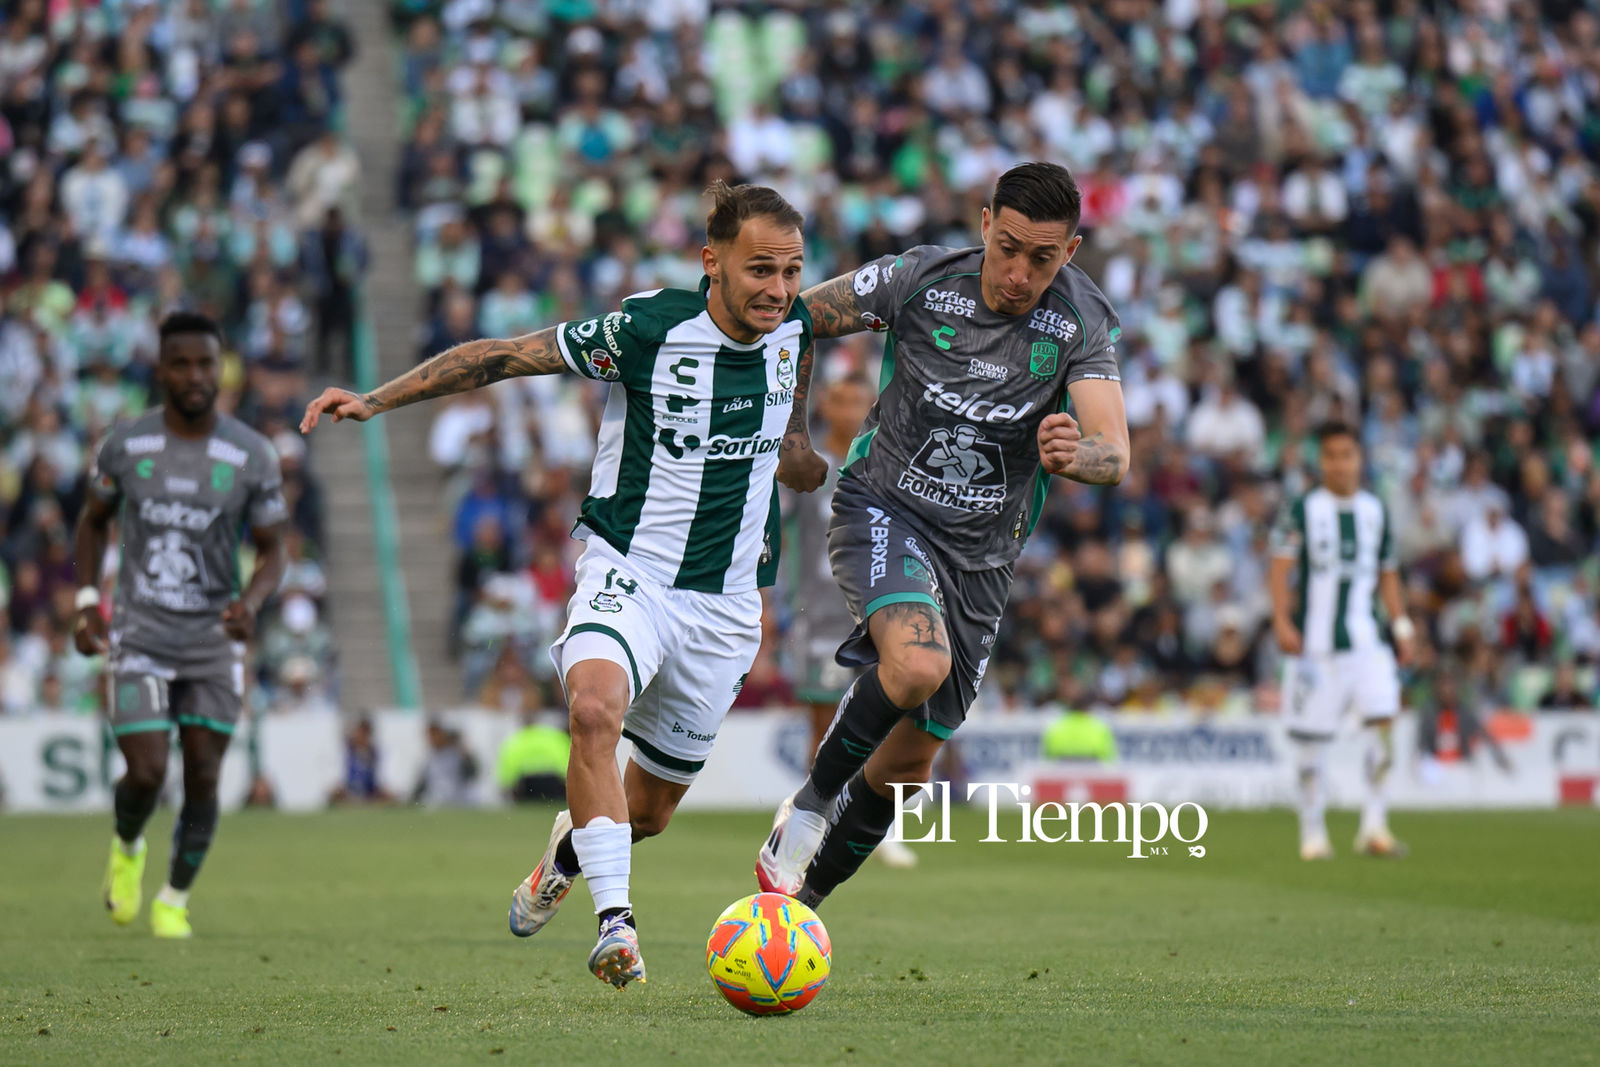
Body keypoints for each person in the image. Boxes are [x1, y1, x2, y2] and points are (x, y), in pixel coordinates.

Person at [301, 182, 813, 989]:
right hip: (629, 569)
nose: (777, 289)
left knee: (646, 813)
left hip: (725, 607)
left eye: (791, 271)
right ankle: (618, 926)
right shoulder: (646, 329)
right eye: (760, 270)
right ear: (711, 262)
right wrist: (375, 398)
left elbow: (830, 369)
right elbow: (502, 356)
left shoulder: (797, 329)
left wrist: (806, 448)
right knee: (594, 708)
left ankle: (566, 852)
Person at [757, 162, 1130, 907]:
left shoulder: (1083, 320)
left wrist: (1075, 455)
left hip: (984, 559)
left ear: (1072, 251)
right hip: (886, 508)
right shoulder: (920, 279)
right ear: (985, 221)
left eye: (1044, 258)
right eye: (1010, 247)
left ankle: (802, 911)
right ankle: (803, 808)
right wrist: (794, 435)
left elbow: (1115, 451)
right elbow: (797, 317)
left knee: (906, 768)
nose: (1021, 273)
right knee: (919, 663)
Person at [74, 311, 289, 939]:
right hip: (140, 628)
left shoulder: (251, 453)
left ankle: (173, 897)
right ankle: (127, 844)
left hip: (213, 636)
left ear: (220, 369)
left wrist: (250, 601)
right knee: (145, 770)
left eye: (206, 364)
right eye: (182, 363)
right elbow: (93, 521)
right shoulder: (125, 444)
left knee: (201, 771)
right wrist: (88, 599)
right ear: (161, 369)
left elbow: (275, 548)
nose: (196, 376)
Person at [782, 372, 915, 869]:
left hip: (882, 608)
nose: (854, 408)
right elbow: (776, 528)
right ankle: (816, 818)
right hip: (821, 616)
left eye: (863, 400)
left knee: (893, 717)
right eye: (844, 400)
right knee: (824, 722)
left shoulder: (886, 465)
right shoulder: (811, 468)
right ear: (828, 407)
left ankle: (879, 825)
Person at [1268, 421, 1415, 861]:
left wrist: (1402, 626)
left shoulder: (1375, 510)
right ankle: (1313, 833)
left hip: (1367, 643)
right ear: (1320, 460)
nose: (1339, 464)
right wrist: (1280, 620)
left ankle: (1375, 827)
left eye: (1346, 455)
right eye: (1330, 455)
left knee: (1383, 728)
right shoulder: (1302, 509)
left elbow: (1388, 575)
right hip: (1315, 648)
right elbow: (1279, 567)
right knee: (1311, 743)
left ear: (1359, 458)